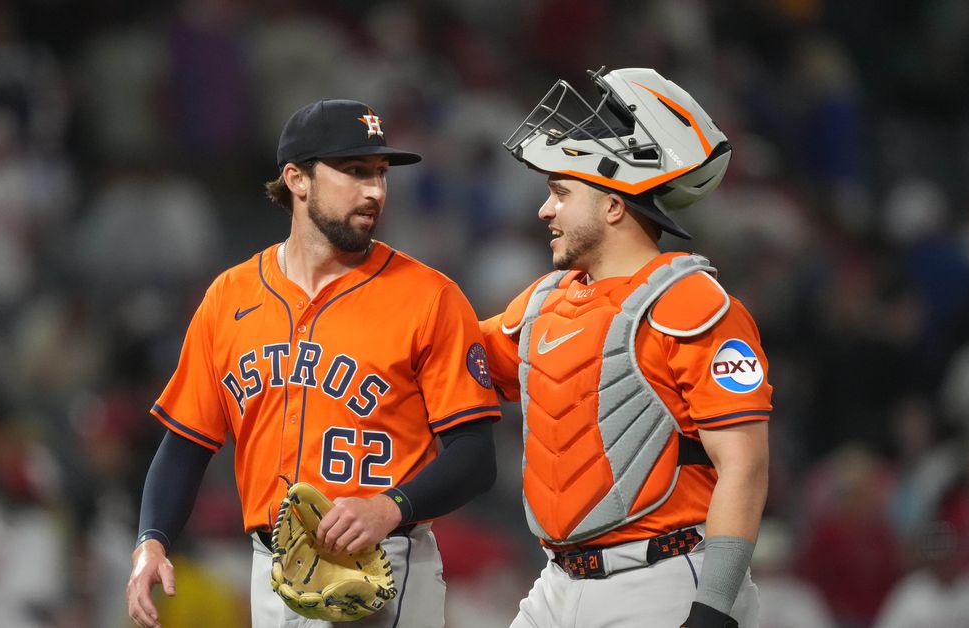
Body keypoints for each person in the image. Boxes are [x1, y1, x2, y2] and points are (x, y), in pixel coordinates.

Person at [125, 98, 501, 628]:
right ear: (296, 179)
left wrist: (391, 506)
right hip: (273, 568)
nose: (375, 190)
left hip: (381, 562)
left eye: (380, 173)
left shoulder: (429, 297)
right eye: (354, 171)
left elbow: (475, 455)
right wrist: (152, 541)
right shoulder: (228, 297)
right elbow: (186, 443)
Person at [479, 67, 771, 627]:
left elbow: (745, 465)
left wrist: (712, 609)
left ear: (615, 205)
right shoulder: (544, 300)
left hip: (664, 578)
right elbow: (455, 363)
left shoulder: (694, 306)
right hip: (556, 584)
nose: (545, 210)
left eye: (561, 193)